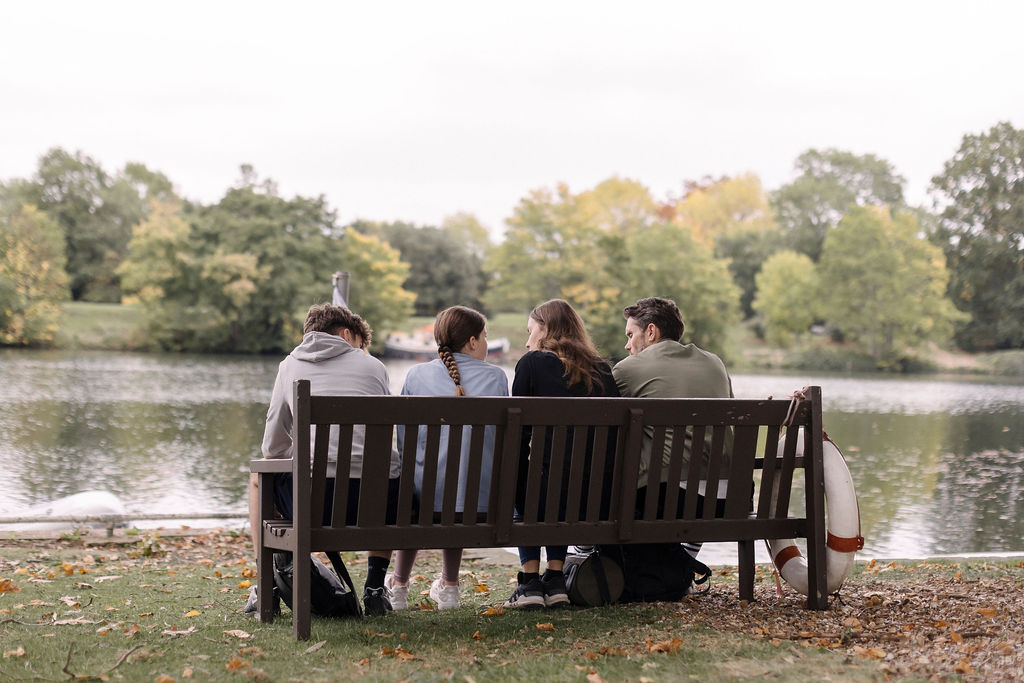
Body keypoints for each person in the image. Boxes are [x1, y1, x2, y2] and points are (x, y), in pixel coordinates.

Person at [253, 303, 401, 616]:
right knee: (387, 473)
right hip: (371, 504)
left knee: (258, 478)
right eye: (361, 343)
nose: (362, 350)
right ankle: (375, 589)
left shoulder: (289, 366)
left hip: (310, 504)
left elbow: (272, 447)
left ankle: (264, 584)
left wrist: (302, 460)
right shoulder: (374, 367)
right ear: (348, 334)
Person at [385, 306, 509, 610]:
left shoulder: (416, 375)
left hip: (425, 500)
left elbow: (404, 443)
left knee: (421, 485)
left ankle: (399, 585)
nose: (485, 343)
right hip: (480, 502)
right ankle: (450, 586)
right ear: (470, 341)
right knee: (461, 479)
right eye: (484, 337)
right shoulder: (496, 378)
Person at [505, 299, 620, 609]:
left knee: (530, 476)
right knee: (556, 478)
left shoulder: (532, 363)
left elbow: (518, 436)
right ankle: (555, 579)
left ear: (546, 329)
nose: (527, 341)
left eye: (531, 331)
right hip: (592, 499)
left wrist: (511, 487)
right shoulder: (603, 371)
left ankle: (530, 582)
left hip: (540, 498)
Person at [612, 296, 734, 557]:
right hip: (730, 498)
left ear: (651, 331)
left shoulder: (628, 370)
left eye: (631, 334)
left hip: (667, 500)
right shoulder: (715, 363)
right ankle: (685, 561)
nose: (627, 345)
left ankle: (581, 558)